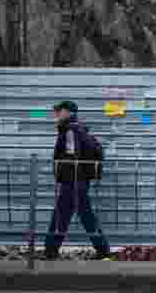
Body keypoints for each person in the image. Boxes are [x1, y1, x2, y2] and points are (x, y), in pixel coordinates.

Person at [44, 100, 111, 260]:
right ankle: (102, 250)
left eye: (59, 111)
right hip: (77, 181)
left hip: (73, 181)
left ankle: (50, 251)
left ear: (68, 112)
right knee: (84, 215)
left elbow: (72, 156)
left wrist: (66, 177)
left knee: (62, 215)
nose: (56, 114)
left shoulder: (70, 131)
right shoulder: (76, 129)